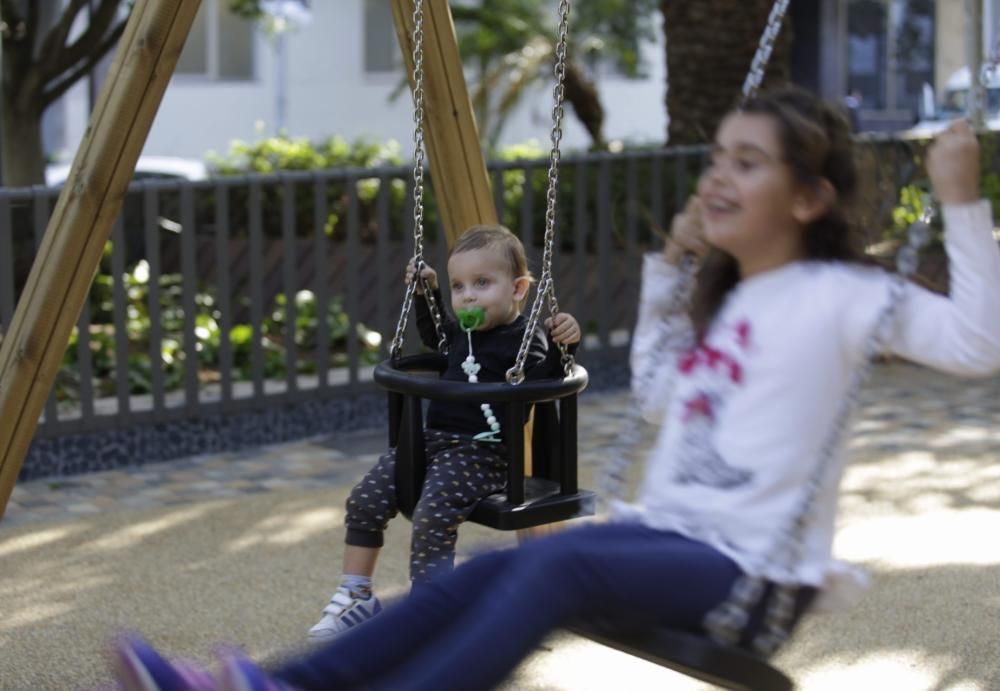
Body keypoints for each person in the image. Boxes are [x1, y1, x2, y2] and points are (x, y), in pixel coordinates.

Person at [110, 87, 1000, 691]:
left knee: (561, 556)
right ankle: (271, 682)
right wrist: (671, 268)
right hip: (677, 539)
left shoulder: (846, 296)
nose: (718, 174)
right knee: (502, 565)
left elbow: (979, 341)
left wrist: (960, 202)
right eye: (718, 156)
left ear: (809, 198)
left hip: (752, 575)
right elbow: (655, 387)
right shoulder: (736, 301)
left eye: (748, 162)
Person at [306, 224, 581, 641]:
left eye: (482, 283)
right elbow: (435, 333)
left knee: (433, 513)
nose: (467, 295)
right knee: (364, 499)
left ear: (519, 288)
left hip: (484, 453)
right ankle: (356, 595)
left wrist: (566, 343)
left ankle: (428, 613)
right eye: (459, 286)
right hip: (431, 444)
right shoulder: (460, 334)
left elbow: (543, 378)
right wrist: (427, 291)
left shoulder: (527, 339)